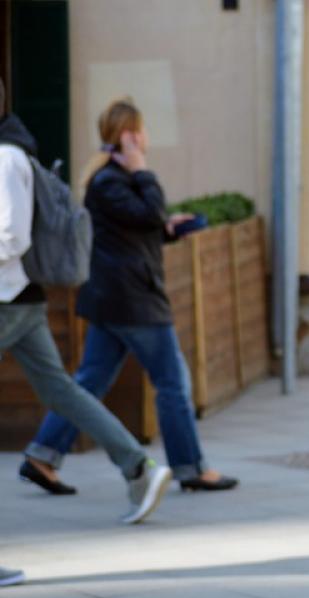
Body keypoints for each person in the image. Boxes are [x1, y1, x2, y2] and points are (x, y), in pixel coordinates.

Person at [26, 98, 237, 493]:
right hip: (133, 301)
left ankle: (43, 455)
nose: (144, 138)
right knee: (172, 383)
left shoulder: (113, 180)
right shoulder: (111, 180)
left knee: (88, 383)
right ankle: (190, 467)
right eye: (139, 131)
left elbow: (136, 229)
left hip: (116, 299)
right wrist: (142, 171)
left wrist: (168, 228)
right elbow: (148, 213)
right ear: (127, 136)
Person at [1, 83, 173, 523]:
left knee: (76, 387)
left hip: (8, 298)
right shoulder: (15, 154)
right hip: (24, 299)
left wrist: (142, 173)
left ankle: (142, 467)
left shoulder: (6, 158)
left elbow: (11, 236)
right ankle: (138, 468)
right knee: (64, 390)